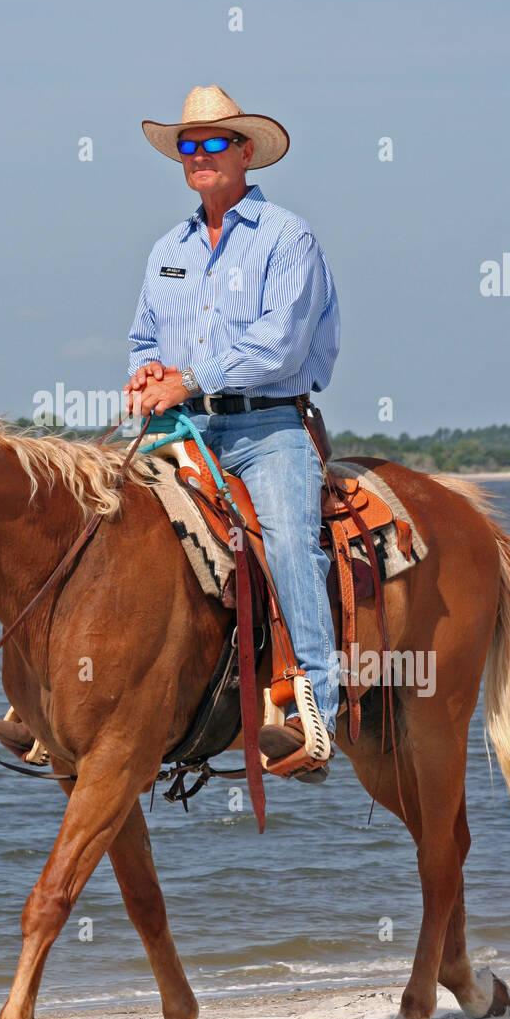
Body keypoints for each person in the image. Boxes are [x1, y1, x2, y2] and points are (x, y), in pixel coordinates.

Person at [123, 84, 341, 781]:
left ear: (247, 152)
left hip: (269, 425)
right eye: (189, 144)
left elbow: (279, 346)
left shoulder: (288, 238)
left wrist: (188, 378)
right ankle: (84, 702)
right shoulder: (167, 250)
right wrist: (145, 375)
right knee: (105, 523)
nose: (200, 155)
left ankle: (313, 714)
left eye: (216, 142)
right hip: (183, 428)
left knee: (286, 542)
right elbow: (142, 337)